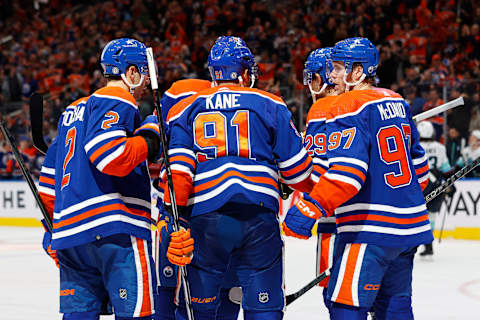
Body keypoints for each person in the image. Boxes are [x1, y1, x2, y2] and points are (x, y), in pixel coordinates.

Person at [163, 36, 313, 320]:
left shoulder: (185, 107)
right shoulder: (270, 102)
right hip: (258, 218)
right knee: (264, 308)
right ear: (245, 72)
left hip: (207, 220)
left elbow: (179, 174)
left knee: (200, 309)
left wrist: (177, 222)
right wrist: (283, 178)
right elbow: (300, 173)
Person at [282, 37, 432, 320]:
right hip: (409, 229)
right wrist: (396, 196)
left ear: (359, 72)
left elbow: (348, 173)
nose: (332, 75)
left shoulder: (347, 105)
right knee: (395, 307)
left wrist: (307, 209)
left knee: (343, 306)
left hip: (369, 230)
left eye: (339, 68)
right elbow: (420, 171)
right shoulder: (396, 100)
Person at [38, 38, 160, 320]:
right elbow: (110, 156)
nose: (144, 85)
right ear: (131, 72)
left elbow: (48, 185)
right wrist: (150, 138)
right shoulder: (118, 98)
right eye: (142, 73)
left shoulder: (71, 113)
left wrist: (52, 230)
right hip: (116, 229)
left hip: (72, 238)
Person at [154, 78, 241, 320]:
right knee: (226, 288)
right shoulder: (237, 97)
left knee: (169, 286)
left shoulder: (178, 94)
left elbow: (159, 141)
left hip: (178, 209)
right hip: (220, 211)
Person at [297, 47, 338, 314]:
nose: (310, 85)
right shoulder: (362, 102)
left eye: (313, 78)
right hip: (370, 220)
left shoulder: (321, 109)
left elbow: (315, 173)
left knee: (335, 297)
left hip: (333, 219)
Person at [417, 121, 452, 256]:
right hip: (437, 185)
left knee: (418, 216)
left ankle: (414, 246)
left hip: (421, 185)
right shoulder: (440, 147)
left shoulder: (413, 146)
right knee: (431, 216)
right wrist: (451, 186)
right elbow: (446, 169)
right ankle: (428, 245)